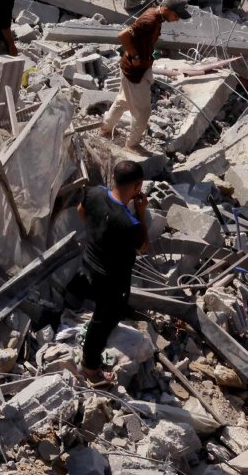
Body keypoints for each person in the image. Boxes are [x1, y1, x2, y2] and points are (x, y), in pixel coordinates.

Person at [70, 160, 150, 383]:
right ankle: (90, 367)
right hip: (112, 281)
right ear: (137, 187)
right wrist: (142, 212)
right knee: (103, 322)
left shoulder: (94, 193)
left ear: (114, 178)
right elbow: (143, 246)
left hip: (88, 264)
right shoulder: (129, 223)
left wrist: (97, 235)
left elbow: (81, 211)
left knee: (99, 309)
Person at [101, 0, 189, 149]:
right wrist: (135, 55)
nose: (177, 20)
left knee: (123, 100)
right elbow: (123, 36)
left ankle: (106, 129)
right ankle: (131, 146)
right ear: (166, 9)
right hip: (136, 71)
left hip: (133, 67)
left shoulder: (156, 16)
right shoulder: (150, 21)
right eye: (176, 16)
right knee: (142, 113)